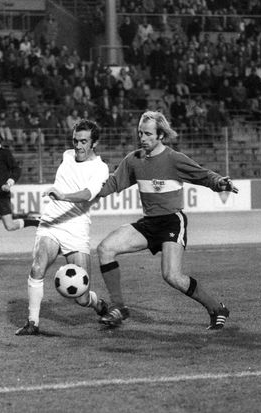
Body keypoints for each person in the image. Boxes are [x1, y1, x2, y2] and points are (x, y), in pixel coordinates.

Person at [93, 111, 238, 329]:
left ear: (161, 135)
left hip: (172, 221)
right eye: (140, 133)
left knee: (172, 276)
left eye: (148, 134)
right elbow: (113, 184)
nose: (142, 138)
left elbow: (202, 174)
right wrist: (89, 191)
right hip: (149, 223)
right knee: (105, 248)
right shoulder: (134, 160)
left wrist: (219, 183)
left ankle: (217, 308)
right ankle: (118, 308)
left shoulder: (173, 159)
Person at [15, 119, 110, 336]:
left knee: (81, 297)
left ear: (94, 143)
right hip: (51, 223)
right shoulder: (67, 156)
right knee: (37, 268)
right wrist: (59, 198)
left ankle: (98, 304)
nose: (78, 146)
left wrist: (63, 196)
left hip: (76, 229)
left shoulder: (100, 168)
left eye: (84, 141)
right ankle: (32, 323)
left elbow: (87, 194)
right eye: (75, 141)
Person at [0, 126, 38, 261]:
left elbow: (16, 170)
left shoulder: (5, 153)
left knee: (10, 226)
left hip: (2, 194)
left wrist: (9, 184)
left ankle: (35, 222)